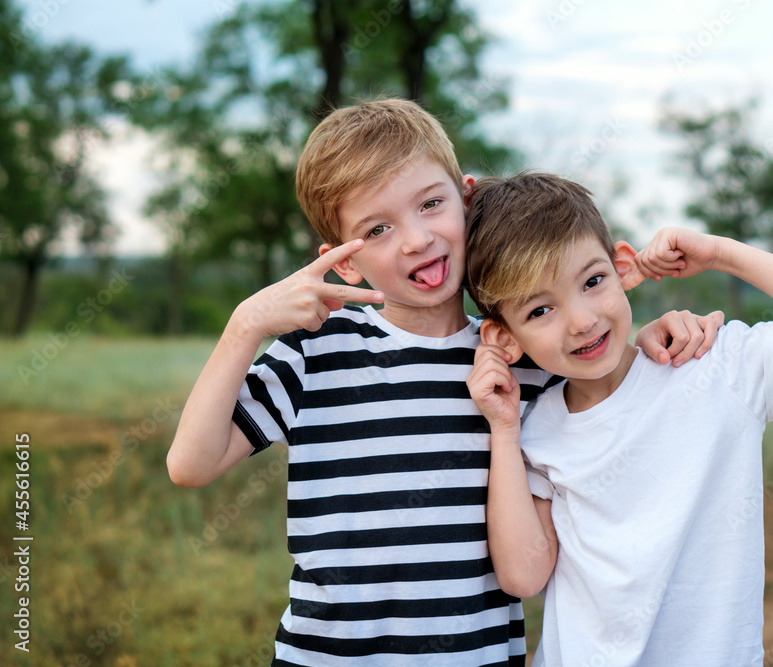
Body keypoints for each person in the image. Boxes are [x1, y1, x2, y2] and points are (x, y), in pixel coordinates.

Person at [165, 99, 725, 667]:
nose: (415, 239)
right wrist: (245, 325)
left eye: (431, 204)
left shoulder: (522, 355)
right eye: (377, 229)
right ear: (343, 262)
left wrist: (658, 335)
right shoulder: (317, 351)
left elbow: (605, 364)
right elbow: (191, 464)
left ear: (466, 199)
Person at [464, 172, 773, 666]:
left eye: (592, 282)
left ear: (622, 267)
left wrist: (718, 253)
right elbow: (524, 577)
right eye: (540, 310)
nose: (582, 321)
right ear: (505, 339)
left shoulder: (714, 366)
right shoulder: (537, 428)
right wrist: (504, 429)